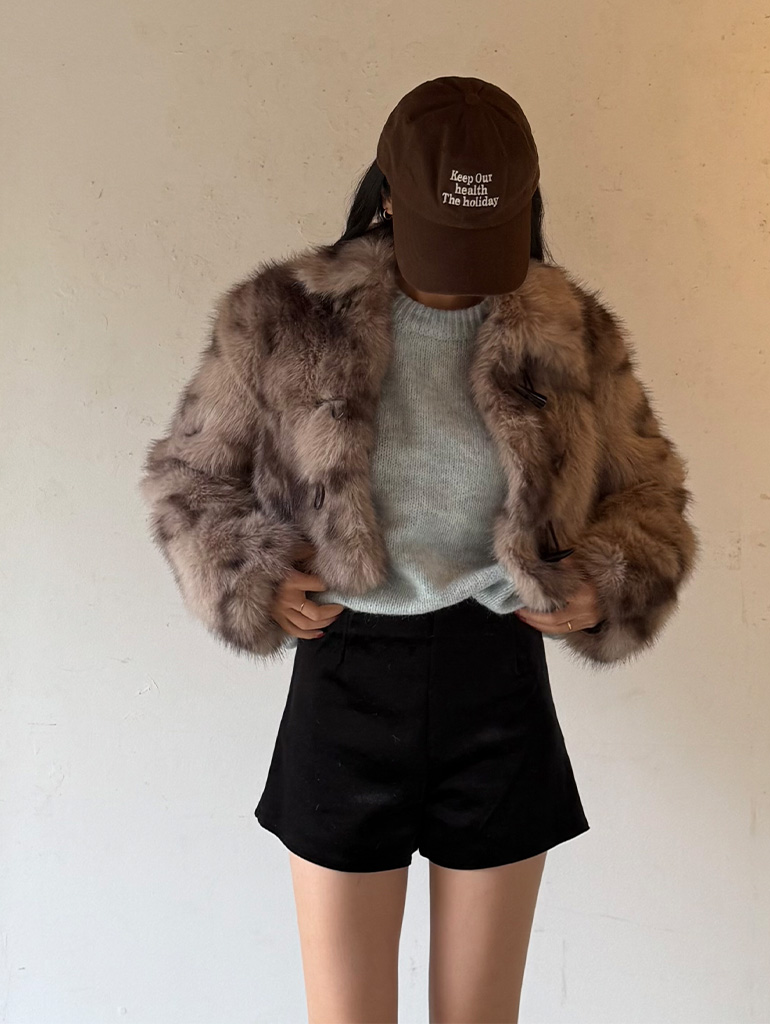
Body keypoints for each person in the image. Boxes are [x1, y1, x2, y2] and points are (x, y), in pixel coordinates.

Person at [138, 75, 699, 1024]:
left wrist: (610, 581)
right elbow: (187, 479)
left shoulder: (569, 332)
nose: (465, 272)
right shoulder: (281, 319)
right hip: (345, 674)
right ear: (390, 196)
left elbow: (652, 491)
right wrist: (252, 576)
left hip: (499, 679)